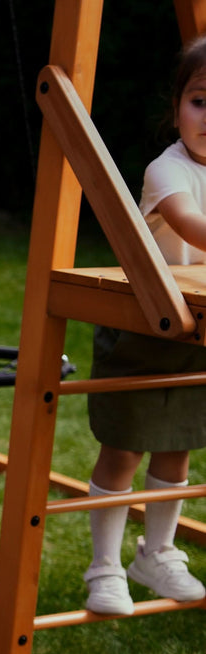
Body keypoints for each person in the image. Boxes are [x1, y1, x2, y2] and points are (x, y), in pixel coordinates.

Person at [84, 36, 206, 615]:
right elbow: (189, 224)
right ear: (177, 106)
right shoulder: (168, 170)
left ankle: (156, 552)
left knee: (178, 443)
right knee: (124, 446)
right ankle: (104, 565)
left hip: (194, 329)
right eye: (200, 101)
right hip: (142, 325)